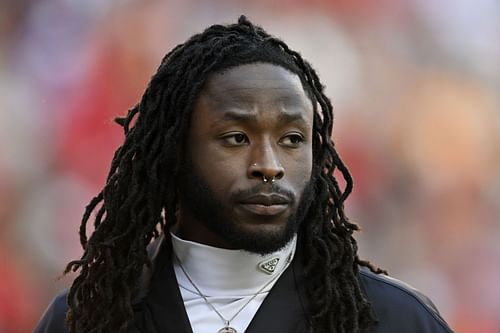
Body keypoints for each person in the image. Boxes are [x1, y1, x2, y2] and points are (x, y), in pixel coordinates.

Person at [34, 16, 453, 333]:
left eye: (292, 139)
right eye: (236, 138)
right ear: (174, 153)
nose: (269, 164)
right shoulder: (87, 316)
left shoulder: (395, 319)